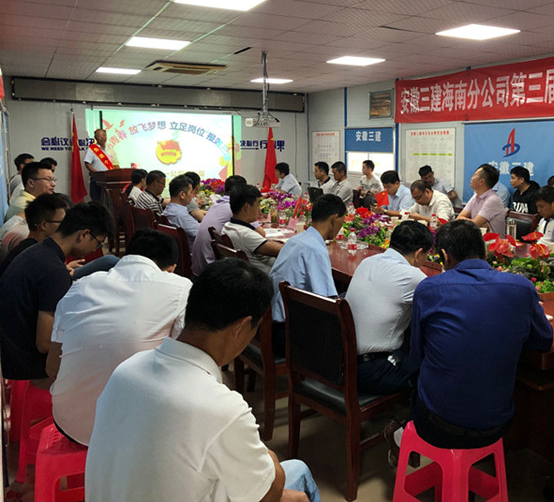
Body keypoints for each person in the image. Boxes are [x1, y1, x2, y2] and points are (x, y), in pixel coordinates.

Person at [86, 259, 320, 502]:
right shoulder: (220, 408)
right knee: (297, 471)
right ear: (241, 327)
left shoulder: (126, 370)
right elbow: (268, 494)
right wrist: (270, 458)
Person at [387, 220, 552, 461]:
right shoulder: (522, 288)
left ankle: (401, 436)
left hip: (436, 424)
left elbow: (417, 356)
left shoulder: (429, 289)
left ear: (445, 255)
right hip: (498, 424)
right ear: (484, 251)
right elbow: (544, 341)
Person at [47, 229, 192, 446]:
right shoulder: (180, 288)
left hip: (70, 421)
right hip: (135, 434)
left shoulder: (80, 286)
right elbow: (186, 364)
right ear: (171, 268)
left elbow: (52, 367)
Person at [0, 202, 113, 386]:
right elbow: (45, 344)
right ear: (84, 234)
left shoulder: (38, 251)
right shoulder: (54, 271)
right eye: (97, 242)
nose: (95, 249)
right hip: (30, 368)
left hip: (14, 351)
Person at [347, 221, 433, 395]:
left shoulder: (366, 262)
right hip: (374, 371)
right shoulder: (413, 276)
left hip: (344, 362)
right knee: (432, 364)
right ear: (418, 254)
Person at [269, 194, 346, 355]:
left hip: (273, 323)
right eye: (342, 221)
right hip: (289, 333)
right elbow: (327, 302)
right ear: (334, 219)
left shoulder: (296, 240)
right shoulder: (315, 249)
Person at [0, 193, 71, 277]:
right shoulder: (37, 256)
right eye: (62, 222)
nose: (66, 226)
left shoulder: (28, 249)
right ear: (44, 225)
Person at [191, 175, 247, 276]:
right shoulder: (232, 208)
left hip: (199, 267)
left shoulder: (218, 203)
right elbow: (257, 232)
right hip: (210, 271)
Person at [222, 185, 283, 274]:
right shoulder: (245, 234)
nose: (259, 209)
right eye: (257, 205)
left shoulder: (227, 226)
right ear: (247, 206)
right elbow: (282, 251)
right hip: (266, 276)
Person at [457, 163, 506, 234]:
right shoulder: (475, 196)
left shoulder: (493, 200)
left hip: (493, 240)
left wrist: (474, 222)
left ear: (481, 181)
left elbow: (475, 225)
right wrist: (481, 224)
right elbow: (459, 217)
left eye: (474, 175)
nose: (471, 178)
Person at [163, 175, 200, 251]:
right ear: (182, 195)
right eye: (191, 192)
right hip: (193, 252)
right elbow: (201, 234)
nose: (192, 195)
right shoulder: (179, 215)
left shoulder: (169, 209)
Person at [84, 128, 118, 202]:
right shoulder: (92, 149)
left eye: (103, 135)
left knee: (109, 201)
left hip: (109, 180)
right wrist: (97, 174)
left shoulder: (110, 149)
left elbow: (115, 165)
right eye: (99, 136)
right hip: (97, 180)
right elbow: (87, 164)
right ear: (95, 138)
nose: (102, 137)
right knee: (97, 201)